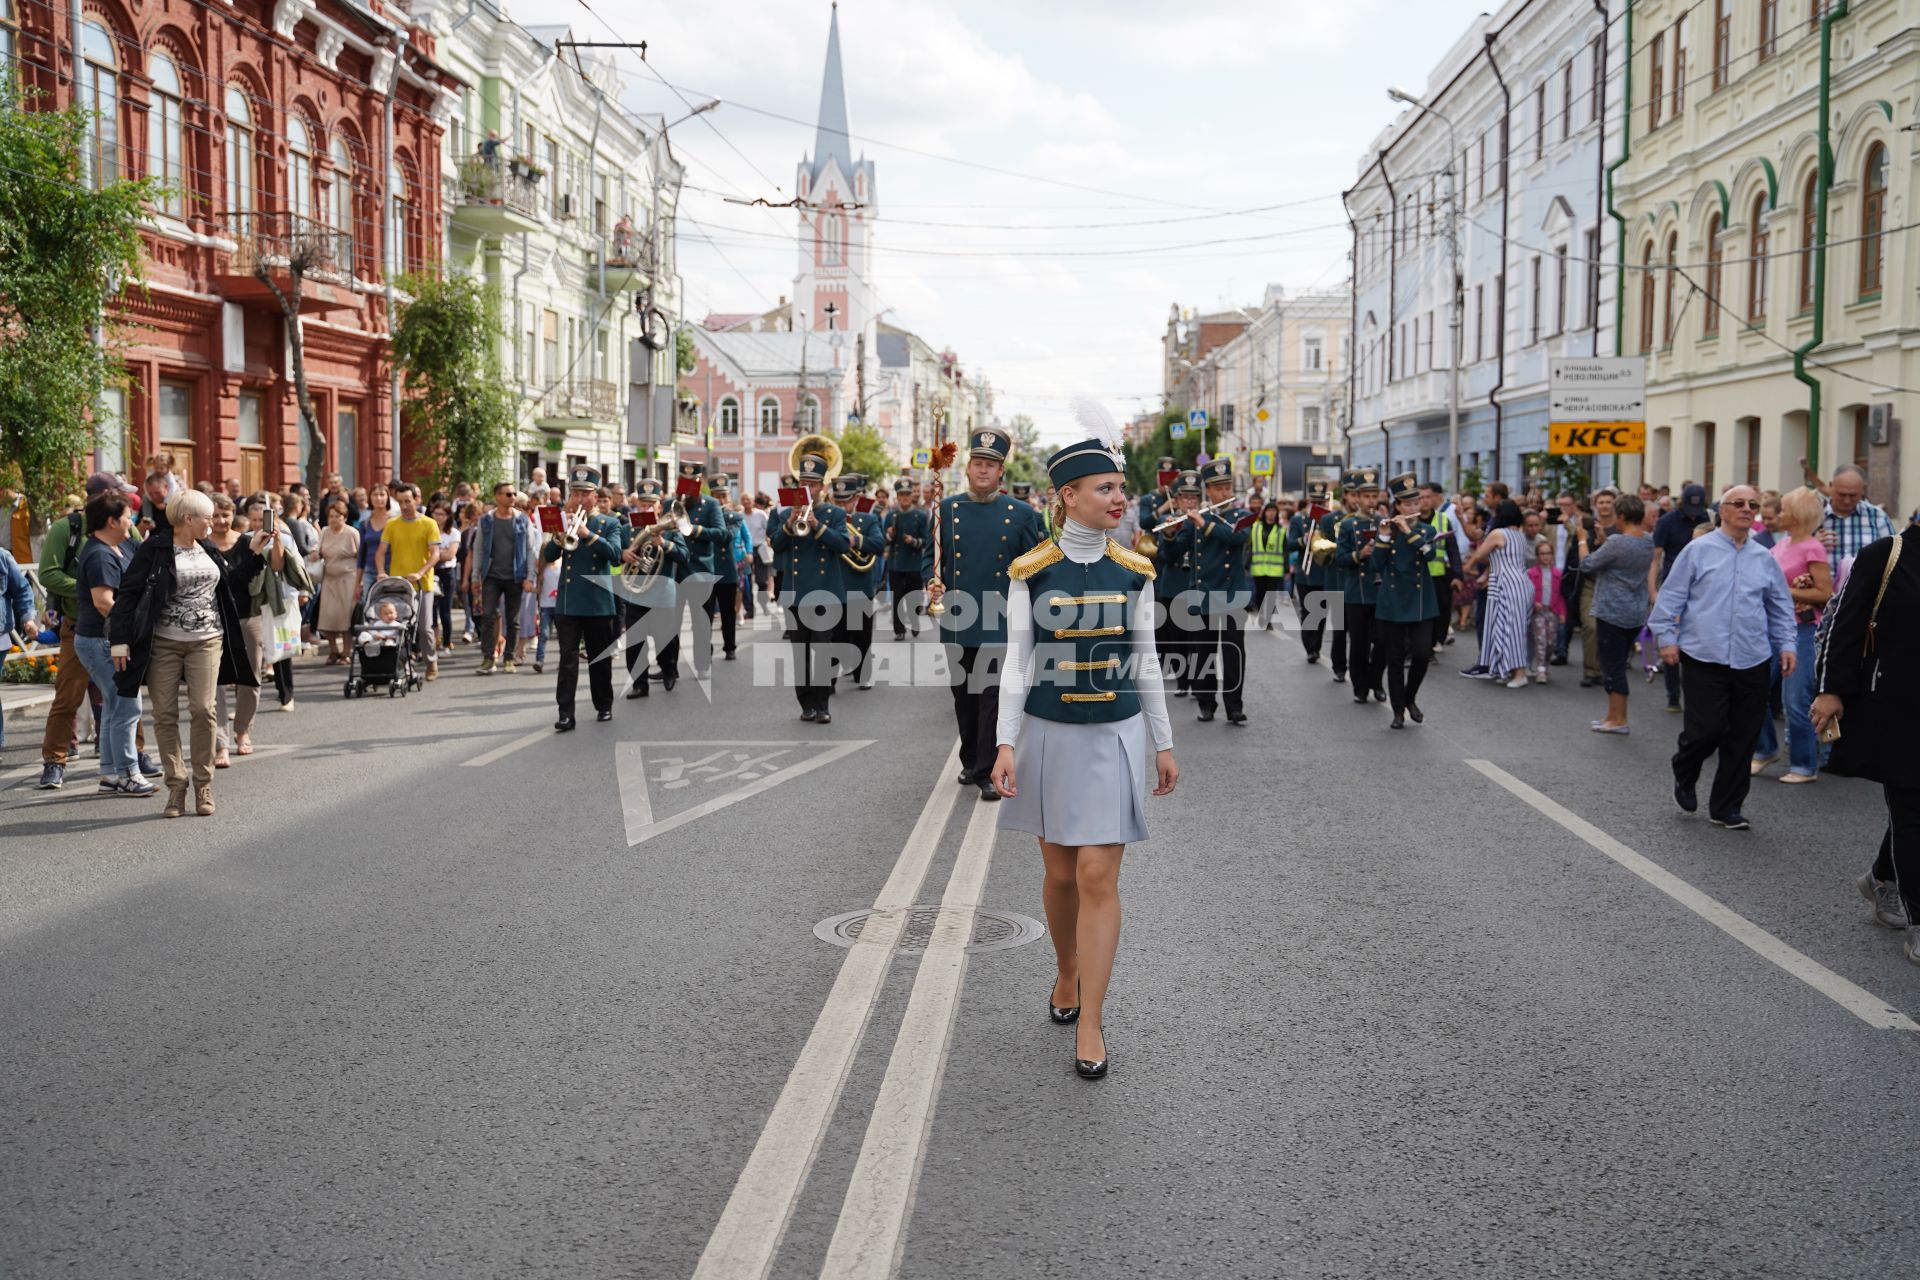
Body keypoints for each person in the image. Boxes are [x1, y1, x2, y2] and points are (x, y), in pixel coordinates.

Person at [990, 433, 1178, 1080]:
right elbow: (1016, 663)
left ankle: (1092, 1020)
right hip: (1049, 734)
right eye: (1105, 488)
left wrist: (1164, 741)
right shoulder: (1031, 570)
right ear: (1067, 497)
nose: (1118, 499)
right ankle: (1065, 971)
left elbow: (1147, 660)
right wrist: (1005, 742)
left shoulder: (1136, 570)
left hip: (1114, 736)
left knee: (1100, 876)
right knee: (1063, 873)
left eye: (1120, 490)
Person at [1647, 484, 1797, 831]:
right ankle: (1685, 771)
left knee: (1743, 736)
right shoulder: (1698, 550)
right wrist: (1667, 638)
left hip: (1752, 657)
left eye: (1753, 505)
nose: (1747, 509)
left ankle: (1726, 807)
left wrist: (1787, 645)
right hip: (1704, 655)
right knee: (1707, 731)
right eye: (1739, 503)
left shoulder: (1764, 557)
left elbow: (1779, 606)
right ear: (1722, 510)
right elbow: (1671, 597)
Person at [109, 489, 264, 818]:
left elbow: (230, 580)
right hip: (163, 642)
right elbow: (128, 595)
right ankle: (176, 787)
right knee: (164, 714)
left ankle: (203, 783)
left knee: (203, 710)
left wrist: (252, 551)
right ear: (187, 519)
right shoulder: (155, 549)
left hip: (207, 640)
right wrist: (119, 641)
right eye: (207, 517)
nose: (213, 523)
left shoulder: (207, 547)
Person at [1811, 517, 1920, 960]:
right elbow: (1846, 624)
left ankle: (1880, 876)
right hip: (1897, 710)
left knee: (1914, 810)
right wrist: (1830, 689)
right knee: (1912, 811)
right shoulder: (1888, 554)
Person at [924, 428, 1048, 796]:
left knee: (991, 695)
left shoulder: (1022, 514)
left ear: (1000, 472)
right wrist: (930, 583)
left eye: (990, 466)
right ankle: (970, 760)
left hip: (999, 618)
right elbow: (929, 560)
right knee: (964, 695)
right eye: (977, 463)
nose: (982, 471)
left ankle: (986, 770)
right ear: (967, 469)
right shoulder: (944, 510)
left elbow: (1035, 564)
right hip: (958, 617)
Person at [36, 471, 150, 789]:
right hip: (80, 627)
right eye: (120, 497)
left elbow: (139, 563)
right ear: (104, 499)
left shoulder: (125, 533)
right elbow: (47, 573)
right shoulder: (67, 528)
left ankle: (131, 757)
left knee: (119, 698)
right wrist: (91, 588)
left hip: (113, 628)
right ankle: (55, 762)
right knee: (69, 697)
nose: (128, 508)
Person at [69, 493, 152, 796]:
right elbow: (104, 602)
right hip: (102, 640)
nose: (131, 522)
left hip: (103, 639)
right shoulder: (100, 554)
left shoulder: (118, 546)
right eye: (127, 517)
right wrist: (127, 634)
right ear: (112, 520)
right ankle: (128, 772)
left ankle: (110, 774)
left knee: (116, 705)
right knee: (128, 706)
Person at [1750, 487, 1832, 782]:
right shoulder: (1780, 545)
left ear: (1797, 516)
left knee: (1796, 701)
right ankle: (1765, 750)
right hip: (1770, 629)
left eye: (1783, 510)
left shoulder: (1812, 547)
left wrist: (1783, 591)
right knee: (1753, 691)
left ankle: (1804, 765)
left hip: (1801, 630)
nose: (1777, 515)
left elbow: (1825, 592)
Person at [1162, 456, 1250, 725]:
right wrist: (1169, 534)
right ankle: (1206, 703)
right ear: (1208, 491)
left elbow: (1236, 538)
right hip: (1202, 592)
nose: (1225, 492)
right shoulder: (1195, 519)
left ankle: (1234, 706)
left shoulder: (1241, 516)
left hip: (1232, 593)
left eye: (1227, 486)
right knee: (1203, 651)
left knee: (1234, 651)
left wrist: (1205, 524)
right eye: (1219, 488)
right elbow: (1175, 553)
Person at [771, 448, 852, 724]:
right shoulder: (787, 514)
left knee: (822, 652)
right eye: (803, 483)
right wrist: (789, 525)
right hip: (796, 595)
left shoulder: (834, 514)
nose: (808, 488)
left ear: (822, 487)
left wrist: (817, 526)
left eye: (813, 484)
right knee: (800, 654)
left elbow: (843, 545)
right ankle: (806, 703)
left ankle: (822, 704)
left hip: (825, 594)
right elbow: (776, 546)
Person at [541, 466, 623, 730]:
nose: (579, 499)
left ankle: (604, 705)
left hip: (598, 602)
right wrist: (560, 529)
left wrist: (588, 535)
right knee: (567, 660)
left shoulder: (609, 523)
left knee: (599, 658)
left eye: (585, 494)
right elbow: (551, 555)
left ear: (595, 496)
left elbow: (615, 554)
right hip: (568, 602)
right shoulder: (563, 520)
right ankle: (565, 712)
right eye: (575, 493)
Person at [1577, 493, 1657, 735]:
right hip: (1635, 610)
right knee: (1617, 664)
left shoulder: (1618, 543)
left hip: (1612, 611)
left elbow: (1587, 564)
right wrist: (1604, 539)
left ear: (1621, 516)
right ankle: (1611, 716)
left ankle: (1619, 719)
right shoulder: (1647, 541)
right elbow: (1616, 558)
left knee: (1612, 667)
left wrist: (1583, 540)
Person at [1369, 473, 1440, 728]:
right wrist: (1385, 537)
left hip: (1420, 600)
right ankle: (1398, 710)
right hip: (1393, 602)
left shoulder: (1426, 529)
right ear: (1397, 506)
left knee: (1421, 654)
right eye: (1407, 504)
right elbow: (1376, 565)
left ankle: (1410, 698)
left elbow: (1429, 554)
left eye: (1416, 503)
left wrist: (1408, 529)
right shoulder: (1387, 530)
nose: (1413, 508)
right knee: (1395, 659)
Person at [1650, 483, 1713, 711]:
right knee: (1671, 641)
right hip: (1673, 587)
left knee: (1695, 643)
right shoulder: (1668, 521)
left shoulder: (1710, 520)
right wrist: (1653, 591)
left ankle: (1697, 695)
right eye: (1689, 508)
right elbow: (1655, 558)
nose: (1694, 514)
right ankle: (1673, 696)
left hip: (1703, 591)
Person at [1460, 499, 1532, 688]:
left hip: (1506, 584)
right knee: (1511, 627)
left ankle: (1519, 674)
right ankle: (1507, 669)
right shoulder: (1519, 534)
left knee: (1509, 629)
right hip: (1520, 582)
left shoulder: (1498, 533)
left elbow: (1479, 553)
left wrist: (1467, 567)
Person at [1333, 468, 1386, 704]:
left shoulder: (1384, 523)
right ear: (1357, 497)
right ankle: (1360, 686)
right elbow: (1340, 558)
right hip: (1356, 592)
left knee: (1383, 641)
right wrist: (1359, 554)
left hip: (1380, 592)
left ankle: (1376, 680)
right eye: (1366, 496)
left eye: (1375, 496)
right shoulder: (1347, 525)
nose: (1371, 501)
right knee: (1358, 644)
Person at [378, 484, 440, 679]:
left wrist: (421, 572)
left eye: (408, 501)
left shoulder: (429, 524)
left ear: (416, 500)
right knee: (400, 626)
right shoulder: (392, 524)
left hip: (422, 585)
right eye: (400, 502)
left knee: (424, 627)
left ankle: (431, 663)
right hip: (399, 584)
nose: (404, 506)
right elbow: (381, 551)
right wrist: (381, 572)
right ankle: (401, 663)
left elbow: (435, 553)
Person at [472, 483, 533, 675]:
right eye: (508, 494)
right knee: (488, 616)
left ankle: (509, 658)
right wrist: (475, 575)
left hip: (515, 575)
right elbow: (479, 548)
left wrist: (530, 576)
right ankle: (489, 658)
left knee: (513, 620)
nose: (512, 497)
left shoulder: (523, 520)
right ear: (497, 496)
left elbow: (531, 549)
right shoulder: (486, 521)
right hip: (491, 575)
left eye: (514, 493)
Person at [833, 474, 882, 688]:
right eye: (838, 501)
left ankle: (863, 674)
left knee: (862, 635)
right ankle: (829, 681)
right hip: (835, 586)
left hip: (860, 586)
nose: (843, 505)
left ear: (855, 498)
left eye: (847, 500)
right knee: (835, 637)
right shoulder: (829, 517)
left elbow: (879, 544)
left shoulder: (868, 519)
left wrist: (855, 540)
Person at [1287, 480, 1335, 665]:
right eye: (1315, 501)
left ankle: (1317, 647)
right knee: (1308, 612)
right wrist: (1303, 540)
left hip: (1323, 572)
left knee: (1321, 613)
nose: (1318, 505)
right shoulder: (1299, 520)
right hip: (1305, 573)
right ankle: (1309, 647)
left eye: (1321, 502)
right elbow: (1290, 544)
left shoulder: (1329, 519)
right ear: (1308, 501)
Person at [1819, 464, 1896, 563]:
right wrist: (1810, 544)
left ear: (1863, 490)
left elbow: (1893, 558)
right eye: (1841, 494)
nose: (1847, 500)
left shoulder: (1877, 517)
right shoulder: (1812, 515)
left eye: (1853, 495)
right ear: (1830, 486)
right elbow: (1794, 553)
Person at [883, 478, 929, 640]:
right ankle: (899, 630)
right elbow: (884, 540)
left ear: (912, 496)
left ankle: (915, 621)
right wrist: (889, 534)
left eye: (907, 494)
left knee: (914, 598)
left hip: (914, 563)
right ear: (897, 496)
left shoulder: (920, 516)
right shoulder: (891, 515)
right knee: (897, 598)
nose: (904, 497)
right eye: (901, 494)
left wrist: (914, 541)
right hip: (896, 563)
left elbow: (926, 540)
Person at [316, 500, 361, 664]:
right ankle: (333, 650)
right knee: (328, 617)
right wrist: (316, 555)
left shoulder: (352, 533)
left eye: (337, 516)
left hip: (348, 579)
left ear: (345, 517)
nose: (334, 520)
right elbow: (319, 551)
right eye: (331, 516)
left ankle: (346, 652)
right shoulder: (325, 531)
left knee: (345, 618)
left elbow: (360, 557)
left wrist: (359, 582)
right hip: (329, 578)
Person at [706, 473, 745, 661]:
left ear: (729, 497)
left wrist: (713, 520)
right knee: (704, 615)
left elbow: (728, 535)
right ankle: (706, 649)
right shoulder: (703, 515)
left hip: (726, 571)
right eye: (717, 496)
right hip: (706, 569)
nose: (721, 500)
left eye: (724, 496)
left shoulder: (735, 516)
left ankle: (730, 646)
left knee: (728, 612)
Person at [1526, 538, 1565, 684]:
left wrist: (1562, 613)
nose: (1545, 556)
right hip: (1538, 611)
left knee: (1551, 642)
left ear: (1553, 555)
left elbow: (1561, 595)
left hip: (1552, 610)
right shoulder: (1531, 573)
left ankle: (1545, 664)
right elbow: (1528, 592)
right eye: (1542, 554)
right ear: (1537, 556)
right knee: (1540, 639)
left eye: (1548, 553)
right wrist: (1533, 602)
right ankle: (1541, 669)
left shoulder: (1558, 573)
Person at [1247, 501, 1286, 630]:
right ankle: (1261, 613)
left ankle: (1267, 620)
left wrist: (1286, 566)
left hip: (1275, 569)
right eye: (1269, 510)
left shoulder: (1281, 530)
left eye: (1274, 511)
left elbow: (1285, 548)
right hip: (1258, 567)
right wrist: (1247, 561)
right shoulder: (1256, 527)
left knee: (1270, 595)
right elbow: (1250, 546)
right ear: (1264, 513)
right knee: (1259, 594)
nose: (1271, 513)